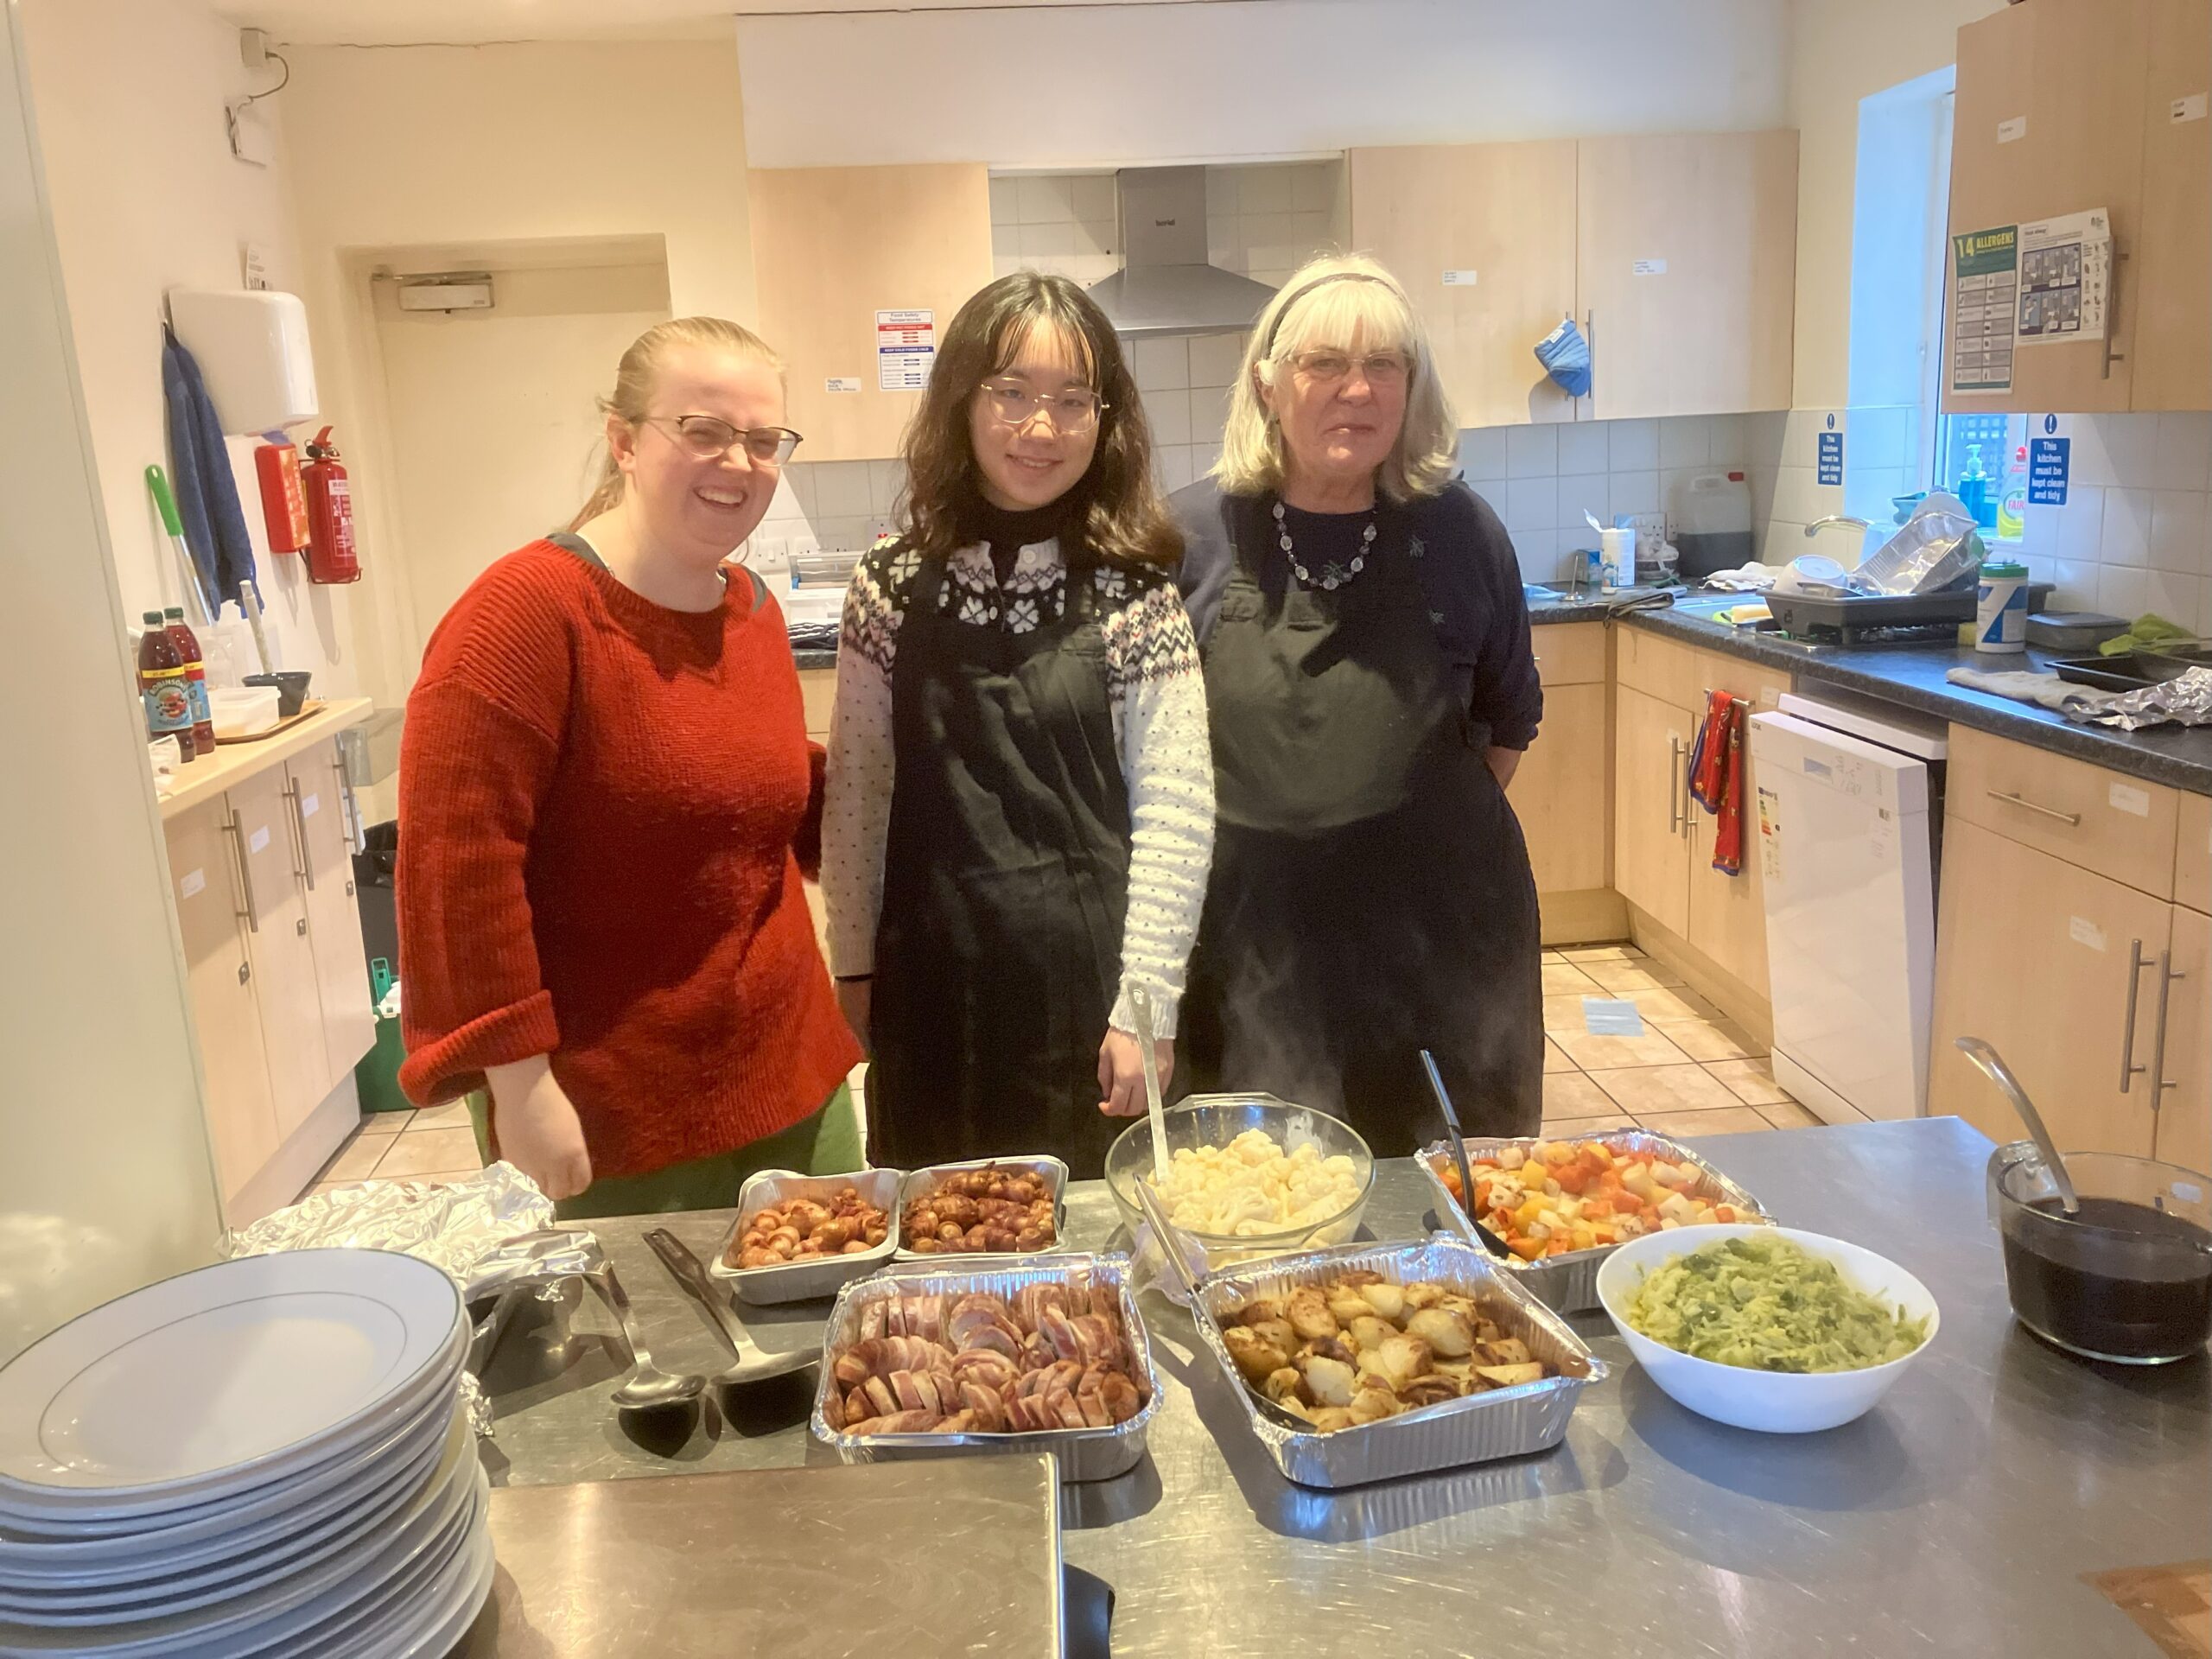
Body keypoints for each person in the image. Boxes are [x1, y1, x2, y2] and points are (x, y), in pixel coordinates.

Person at [397, 316, 862, 1218]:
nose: (738, 462)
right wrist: (518, 1084)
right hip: (612, 1111)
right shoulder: (526, 614)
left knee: (817, 1350)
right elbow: (457, 867)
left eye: (764, 441)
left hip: (789, 1080)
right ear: (624, 441)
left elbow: (753, 787)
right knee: (654, 1358)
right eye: (704, 431)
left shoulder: (753, 612)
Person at [822, 272, 1214, 1179]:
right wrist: (851, 970)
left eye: (1071, 401)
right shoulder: (885, 584)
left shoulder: (1136, 592)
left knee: (1093, 1263)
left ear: (1102, 419)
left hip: (1086, 994)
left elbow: (1176, 811)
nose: (1041, 428)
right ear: (961, 398)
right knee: (937, 1253)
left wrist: (1144, 1011)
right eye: (1011, 394)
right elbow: (858, 792)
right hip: (928, 985)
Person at [1171, 254, 1543, 1156]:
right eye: (1323, 363)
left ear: (1410, 390)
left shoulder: (1462, 532)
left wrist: (1397, 836)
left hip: (1436, 951)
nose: (1356, 390)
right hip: (1247, 949)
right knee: (1257, 1198)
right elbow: (1147, 752)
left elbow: (1510, 719)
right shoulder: (1187, 534)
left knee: (1447, 1200)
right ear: (1267, 382)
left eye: (1384, 366)